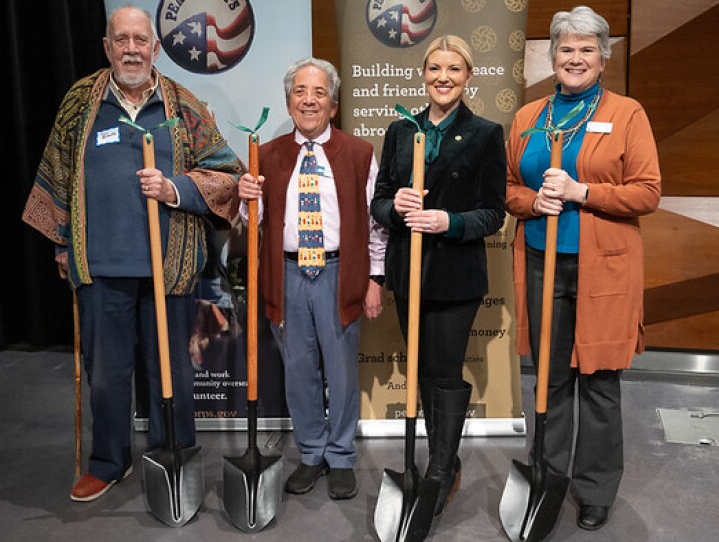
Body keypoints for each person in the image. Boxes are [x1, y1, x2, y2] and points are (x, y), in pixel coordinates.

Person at [22, 5, 243, 502]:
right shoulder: (81, 101)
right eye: (121, 39)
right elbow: (58, 173)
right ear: (107, 46)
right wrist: (62, 240)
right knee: (106, 375)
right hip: (100, 266)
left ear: (155, 47)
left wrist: (174, 190)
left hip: (169, 267)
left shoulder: (182, 105)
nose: (131, 49)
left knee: (172, 373)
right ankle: (108, 462)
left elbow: (227, 174)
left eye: (140, 40)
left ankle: (175, 457)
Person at [504, 5, 661, 531]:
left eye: (586, 49)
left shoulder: (627, 113)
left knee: (596, 378)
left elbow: (647, 191)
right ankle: (547, 476)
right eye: (566, 49)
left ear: (603, 58)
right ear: (552, 56)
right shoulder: (529, 117)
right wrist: (533, 204)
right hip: (542, 261)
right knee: (548, 377)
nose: (575, 58)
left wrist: (582, 191)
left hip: (604, 269)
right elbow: (508, 189)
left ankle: (595, 488)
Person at [237, 58, 386, 500]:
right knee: (298, 371)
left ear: (333, 104)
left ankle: (340, 456)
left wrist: (375, 278)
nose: (309, 99)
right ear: (289, 101)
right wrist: (248, 199)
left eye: (319, 92)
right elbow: (256, 223)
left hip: (340, 273)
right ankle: (312, 452)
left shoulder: (359, 154)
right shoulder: (266, 155)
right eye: (300, 92)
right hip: (287, 273)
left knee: (340, 372)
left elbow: (376, 225)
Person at [370, 35, 507, 517]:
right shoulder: (400, 132)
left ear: (468, 77)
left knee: (443, 373)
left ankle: (441, 469)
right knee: (421, 372)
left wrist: (451, 221)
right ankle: (443, 460)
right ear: (423, 75)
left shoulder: (487, 134)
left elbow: (495, 212)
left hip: (455, 277)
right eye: (434, 68)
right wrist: (394, 206)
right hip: (408, 274)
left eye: (453, 69)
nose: (442, 77)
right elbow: (379, 199)